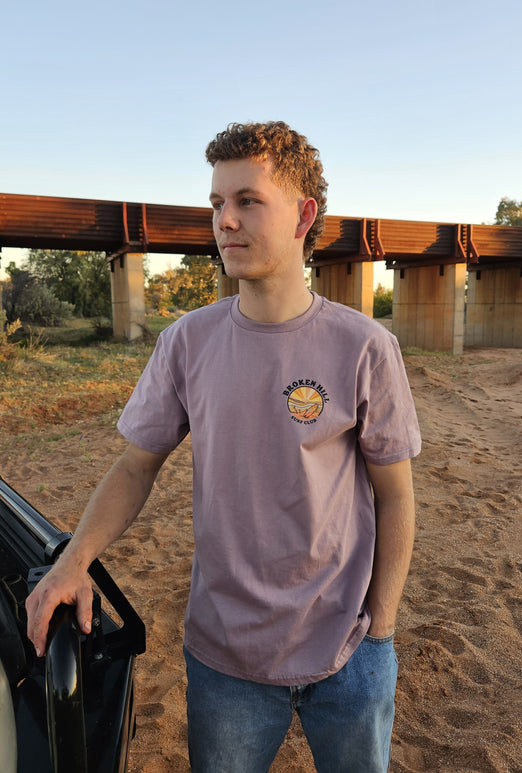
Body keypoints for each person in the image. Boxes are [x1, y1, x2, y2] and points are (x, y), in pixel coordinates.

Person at [26, 121, 421, 772]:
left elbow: (396, 496)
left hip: (349, 651)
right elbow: (134, 467)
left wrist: (380, 630)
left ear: (304, 215)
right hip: (225, 660)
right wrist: (73, 562)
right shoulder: (186, 342)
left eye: (247, 201)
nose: (225, 222)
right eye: (216, 204)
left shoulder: (364, 347)